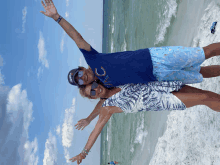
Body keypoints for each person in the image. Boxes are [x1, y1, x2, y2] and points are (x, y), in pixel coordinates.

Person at [40, 0, 220, 89]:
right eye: (79, 81)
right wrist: (88, 120)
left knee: (202, 53)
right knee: (199, 73)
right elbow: (107, 107)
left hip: (155, 57)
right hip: (159, 77)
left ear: (82, 68)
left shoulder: (92, 59)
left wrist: (57, 17)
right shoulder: (104, 87)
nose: (82, 78)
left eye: (79, 74)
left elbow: (76, 37)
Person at [69, 80, 220, 164]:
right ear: (93, 97)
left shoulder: (112, 81)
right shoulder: (107, 108)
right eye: (92, 92)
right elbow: (96, 130)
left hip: (162, 85)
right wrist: (84, 153)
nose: (96, 90)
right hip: (161, 100)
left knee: (205, 94)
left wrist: (88, 118)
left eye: (94, 86)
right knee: (203, 99)